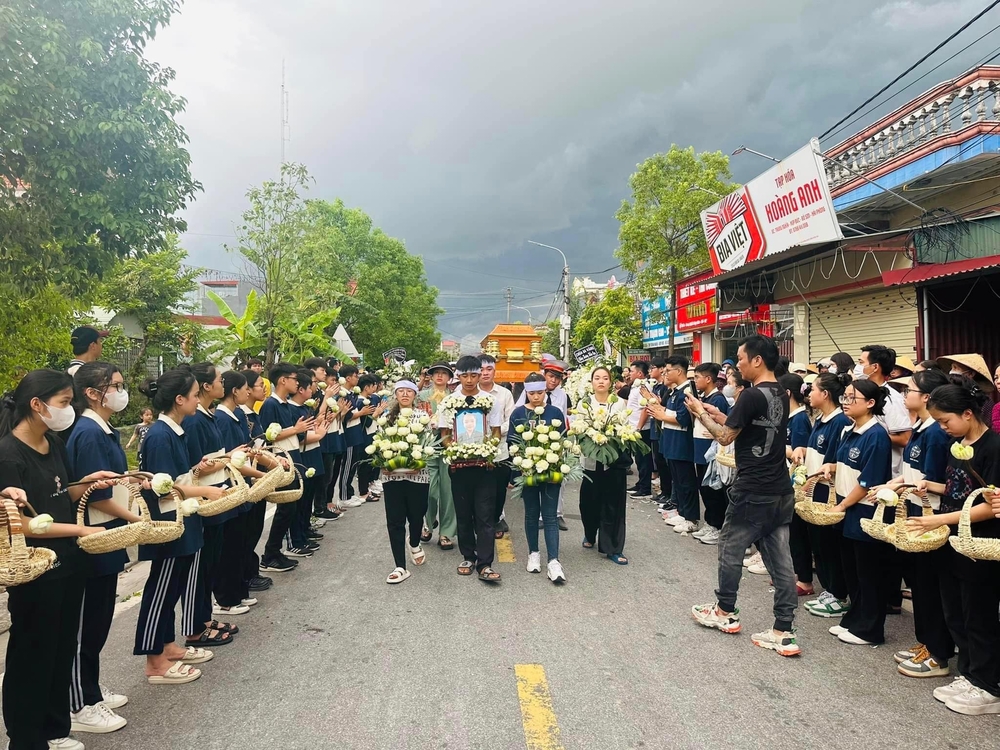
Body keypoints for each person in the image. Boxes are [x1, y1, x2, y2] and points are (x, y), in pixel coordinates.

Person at [0, 370, 127, 750]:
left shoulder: (52, 442)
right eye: (63, 403)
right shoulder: (8, 453)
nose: (69, 410)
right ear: (36, 405)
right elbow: (18, 521)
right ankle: (25, 739)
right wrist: (81, 531)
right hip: (35, 571)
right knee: (31, 656)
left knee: (59, 651)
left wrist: (87, 483)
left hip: (68, 565)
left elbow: (59, 494)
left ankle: (55, 730)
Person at [688, 335, 799, 658]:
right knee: (781, 561)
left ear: (757, 360)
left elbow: (725, 438)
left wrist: (699, 412)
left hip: (753, 489)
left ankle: (725, 610)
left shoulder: (751, 395)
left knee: (730, 548)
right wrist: (718, 413)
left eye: (740, 358)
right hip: (780, 489)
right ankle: (784, 629)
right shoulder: (780, 390)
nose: (736, 364)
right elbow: (749, 427)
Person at [906, 378, 1000, 715]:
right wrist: (925, 485)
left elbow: (990, 505)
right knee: (955, 611)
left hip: (980, 544)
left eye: (946, 421)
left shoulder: (993, 447)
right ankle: (970, 674)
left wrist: (939, 521)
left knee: (979, 614)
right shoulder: (957, 445)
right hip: (952, 540)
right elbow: (955, 487)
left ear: (968, 413)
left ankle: (989, 685)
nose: (944, 428)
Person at [132, 368, 226, 686]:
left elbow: (181, 477)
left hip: (183, 519)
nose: (199, 399)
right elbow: (164, 487)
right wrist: (205, 490)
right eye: (196, 394)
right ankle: (154, 661)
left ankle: (168, 645)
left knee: (172, 589)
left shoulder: (175, 430)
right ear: (180, 399)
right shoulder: (159, 435)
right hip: (168, 524)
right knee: (161, 590)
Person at [66, 363, 144, 735]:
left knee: (98, 620)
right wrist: (134, 519)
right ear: (92, 393)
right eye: (115, 385)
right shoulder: (87, 433)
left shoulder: (103, 430)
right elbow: (92, 496)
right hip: (95, 537)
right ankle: (78, 703)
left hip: (108, 534)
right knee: (86, 624)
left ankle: (91, 689)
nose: (121, 390)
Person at [881, 368, 952, 678]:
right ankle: (926, 641)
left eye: (909, 389)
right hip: (912, 512)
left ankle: (938, 651)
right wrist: (894, 484)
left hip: (930, 520)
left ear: (926, 397)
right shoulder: (920, 428)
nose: (904, 394)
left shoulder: (936, 432)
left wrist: (912, 488)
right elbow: (911, 470)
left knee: (929, 587)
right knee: (920, 585)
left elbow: (935, 481)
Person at [819, 379, 894, 648]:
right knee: (851, 568)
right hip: (845, 507)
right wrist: (831, 468)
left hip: (863, 511)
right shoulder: (849, 429)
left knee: (868, 573)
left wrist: (841, 505)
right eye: (845, 397)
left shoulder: (876, 435)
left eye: (853, 398)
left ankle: (870, 629)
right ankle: (854, 619)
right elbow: (844, 464)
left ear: (870, 403)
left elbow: (867, 482)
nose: (847, 403)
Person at [794, 373, 852, 619]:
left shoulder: (839, 422)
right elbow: (816, 452)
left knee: (828, 545)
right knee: (818, 542)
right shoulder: (821, 419)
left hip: (826, 492)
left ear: (825, 394)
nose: (809, 394)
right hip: (813, 489)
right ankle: (829, 589)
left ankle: (837, 593)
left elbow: (833, 461)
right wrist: (802, 449)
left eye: (813, 390)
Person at [441, 355, 503, 582]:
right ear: (457, 376)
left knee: (485, 516)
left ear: (480, 375)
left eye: (474, 375)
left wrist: (487, 450)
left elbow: (496, 431)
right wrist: (456, 450)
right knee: (464, 514)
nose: (469, 380)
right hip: (459, 466)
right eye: (464, 375)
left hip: (484, 466)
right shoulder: (449, 402)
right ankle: (468, 556)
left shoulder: (489, 400)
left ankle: (485, 564)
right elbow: (445, 435)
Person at [214, 371, 271, 613]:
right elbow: (230, 457)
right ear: (234, 390)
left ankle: (238, 590)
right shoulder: (223, 418)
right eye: (246, 388)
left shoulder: (236, 414)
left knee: (241, 542)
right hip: (232, 487)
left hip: (243, 484)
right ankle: (226, 597)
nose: (249, 392)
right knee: (230, 546)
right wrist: (262, 475)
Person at [509, 373, 566, 582]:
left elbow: (562, 441)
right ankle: (534, 553)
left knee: (550, 516)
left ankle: (554, 560)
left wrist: (560, 468)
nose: (535, 397)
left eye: (539, 393)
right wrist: (516, 473)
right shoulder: (518, 414)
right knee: (531, 513)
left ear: (545, 392)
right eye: (531, 393)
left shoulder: (555, 412)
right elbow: (512, 443)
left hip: (551, 472)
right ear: (526, 392)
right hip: (528, 473)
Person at [259, 363, 314, 572]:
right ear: (283, 380)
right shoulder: (270, 405)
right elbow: (267, 437)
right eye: (293, 378)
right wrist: (296, 429)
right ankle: (270, 554)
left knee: (291, 506)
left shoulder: (285, 405)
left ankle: (275, 551)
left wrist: (299, 430)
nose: (297, 382)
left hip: (292, 456)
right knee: (285, 508)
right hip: (280, 459)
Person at [579, 367, 631, 564]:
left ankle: (613, 547)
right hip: (591, 462)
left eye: (605, 378)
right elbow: (580, 429)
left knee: (613, 505)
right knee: (588, 503)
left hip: (614, 462)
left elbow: (626, 429)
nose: (601, 381)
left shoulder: (619, 404)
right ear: (591, 382)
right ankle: (590, 533)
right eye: (597, 378)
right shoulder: (584, 404)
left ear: (611, 382)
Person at [380, 381, 431, 584]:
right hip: (392, 477)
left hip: (418, 475)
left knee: (417, 515)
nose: (404, 394)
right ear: (395, 395)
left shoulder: (423, 418)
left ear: (415, 395)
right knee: (395, 520)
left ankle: (415, 542)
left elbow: (429, 445)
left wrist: (419, 463)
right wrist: (383, 464)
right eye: (400, 391)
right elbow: (379, 444)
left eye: (408, 391)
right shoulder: (386, 418)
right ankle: (400, 566)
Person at [649, 356, 697, 533]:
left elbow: (684, 418)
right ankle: (682, 513)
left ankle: (691, 518)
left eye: (668, 370)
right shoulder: (676, 391)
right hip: (671, 441)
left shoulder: (687, 391)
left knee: (686, 482)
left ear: (679, 371)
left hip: (682, 443)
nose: (665, 373)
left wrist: (662, 414)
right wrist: (661, 410)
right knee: (678, 480)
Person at [238, 369, 274, 593]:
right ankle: (245, 575)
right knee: (246, 531)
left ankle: (250, 571)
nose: (264, 388)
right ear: (246, 390)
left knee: (255, 527)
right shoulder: (240, 417)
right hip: (249, 479)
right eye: (260, 385)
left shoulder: (253, 414)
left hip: (258, 478)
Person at [780, 373, 813, 595]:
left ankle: (804, 580)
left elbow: (801, 454)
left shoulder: (800, 419)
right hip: (785, 479)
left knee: (798, 532)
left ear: (788, 393)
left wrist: (777, 447)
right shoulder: (790, 416)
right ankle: (795, 573)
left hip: (796, 483)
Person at [690, 363, 730, 545]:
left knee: (713, 490)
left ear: (708, 379)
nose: (695, 381)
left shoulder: (718, 399)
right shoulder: (704, 397)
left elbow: (721, 425)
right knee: (704, 488)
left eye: (697, 377)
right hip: (700, 447)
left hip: (710, 450)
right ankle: (710, 522)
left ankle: (717, 525)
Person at [421, 361, 457, 550]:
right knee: (429, 490)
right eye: (436, 373)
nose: (440, 376)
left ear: (450, 378)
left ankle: (446, 532)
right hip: (428, 448)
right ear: (431, 376)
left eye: (444, 373)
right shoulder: (422, 396)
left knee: (448, 492)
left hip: (449, 447)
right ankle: (427, 523)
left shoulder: (456, 397)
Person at [859, 345, 911, 477]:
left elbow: (905, 439)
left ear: (875, 367)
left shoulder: (892, 400)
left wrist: (870, 438)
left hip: (885, 474)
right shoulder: (860, 395)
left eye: (861, 363)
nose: (858, 368)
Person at [478, 354, 515, 538]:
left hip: (500, 449)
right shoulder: (467, 392)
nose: (485, 373)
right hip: (475, 451)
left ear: (495, 371)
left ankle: (494, 520)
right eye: (481, 369)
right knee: (479, 489)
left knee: (499, 489)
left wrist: (494, 433)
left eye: (489, 369)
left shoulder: (505, 394)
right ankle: (480, 522)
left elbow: (512, 420)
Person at [626, 360, 652, 500]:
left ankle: (645, 488)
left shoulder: (644, 387)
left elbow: (645, 409)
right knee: (639, 459)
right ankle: (641, 483)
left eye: (632, 371)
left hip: (642, 428)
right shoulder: (636, 386)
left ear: (640, 373)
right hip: (634, 427)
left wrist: (639, 428)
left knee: (644, 459)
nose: (629, 374)